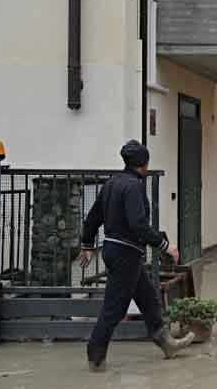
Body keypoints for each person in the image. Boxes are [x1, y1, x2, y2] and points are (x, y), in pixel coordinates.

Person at [77, 140, 194, 372]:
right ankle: (95, 357)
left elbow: (93, 217)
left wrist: (87, 244)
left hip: (116, 250)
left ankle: (167, 344)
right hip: (125, 253)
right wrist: (165, 245)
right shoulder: (133, 186)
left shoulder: (112, 183)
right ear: (144, 164)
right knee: (114, 308)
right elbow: (138, 225)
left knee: (149, 298)